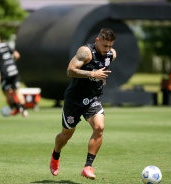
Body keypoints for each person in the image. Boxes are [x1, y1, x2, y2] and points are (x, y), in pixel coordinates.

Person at [50, 28, 117, 179]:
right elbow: (70, 70)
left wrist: (101, 78)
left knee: (99, 127)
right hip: (74, 99)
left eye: (110, 46)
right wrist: (92, 74)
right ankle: (55, 154)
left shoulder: (111, 54)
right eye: (105, 46)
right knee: (66, 135)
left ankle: (87, 167)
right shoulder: (85, 52)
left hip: (93, 98)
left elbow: (103, 68)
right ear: (97, 40)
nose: (107, 49)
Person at [0, 32, 28, 117]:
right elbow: (17, 55)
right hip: (14, 70)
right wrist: (11, 62)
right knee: (17, 90)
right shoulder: (6, 45)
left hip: (5, 73)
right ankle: (24, 110)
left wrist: (0, 65)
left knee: (5, 90)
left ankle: (15, 107)